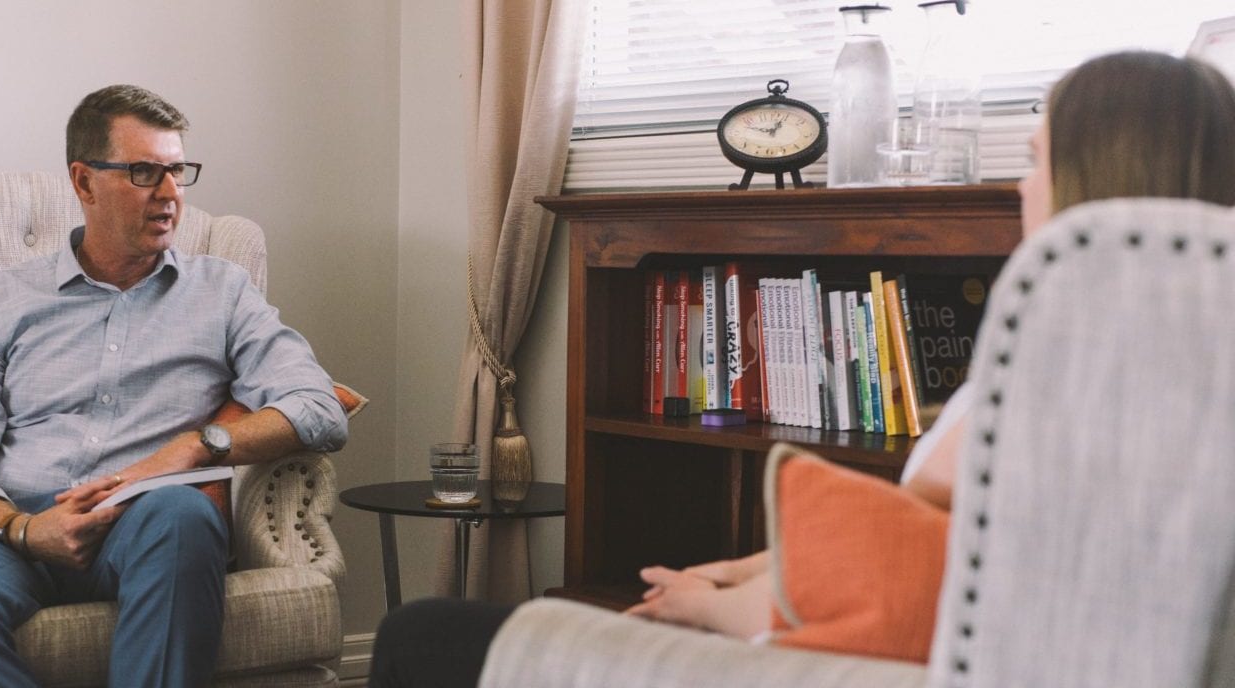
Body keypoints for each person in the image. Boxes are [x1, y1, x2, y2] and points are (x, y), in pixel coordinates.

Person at [367, 50, 1235, 688]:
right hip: (812, 628)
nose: (1020, 185)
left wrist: (711, 607)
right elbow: (922, 542)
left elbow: (917, 601)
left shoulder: (1070, 394)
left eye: (1039, 158)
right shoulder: (1158, 385)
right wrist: (734, 573)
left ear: (1096, 177)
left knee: (423, 639)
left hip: (827, 663)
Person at [0, 84, 349, 688]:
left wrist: (194, 447)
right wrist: (23, 528)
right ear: (84, 182)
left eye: (178, 171)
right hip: (11, 527)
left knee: (183, 516)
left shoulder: (223, 293)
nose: (170, 194)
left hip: (144, 527)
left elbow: (319, 409)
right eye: (143, 172)